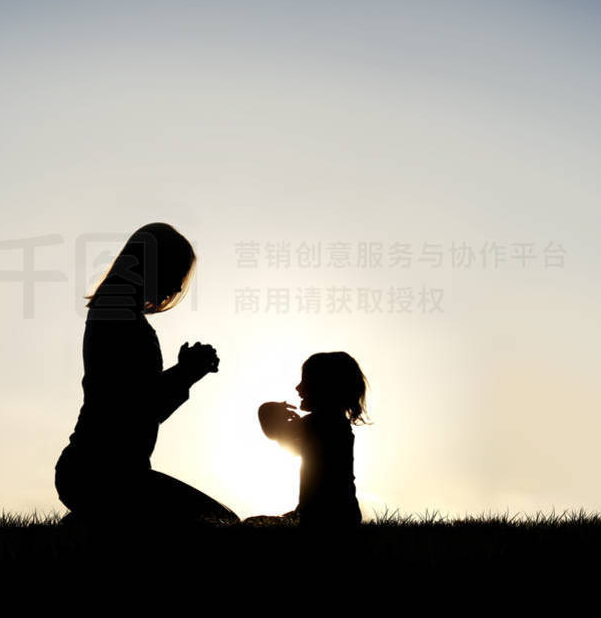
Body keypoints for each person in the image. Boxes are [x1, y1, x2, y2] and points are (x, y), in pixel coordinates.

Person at [54, 222, 238, 527]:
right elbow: (135, 404)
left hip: (105, 472)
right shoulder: (116, 313)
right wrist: (186, 372)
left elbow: (141, 407)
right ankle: (89, 522)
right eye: (176, 274)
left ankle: (91, 522)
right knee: (220, 522)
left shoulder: (116, 312)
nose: (178, 288)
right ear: (153, 265)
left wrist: (185, 373)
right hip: (105, 473)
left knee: (218, 520)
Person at [253, 352, 369, 528]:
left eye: (305, 381)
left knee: (255, 524)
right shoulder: (337, 425)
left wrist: (268, 410)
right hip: (343, 514)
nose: (298, 388)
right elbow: (291, 446)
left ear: (325, 387)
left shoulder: (319, 423)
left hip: (324, 518)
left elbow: (274, 433)